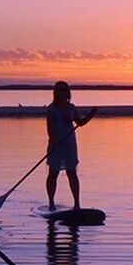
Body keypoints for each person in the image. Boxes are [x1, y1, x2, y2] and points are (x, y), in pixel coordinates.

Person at [46, 81, 97, 210]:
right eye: (59, 90)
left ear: (67, 92)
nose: (61, 93)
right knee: (53, 173)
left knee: (72, 173)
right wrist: (57, 140)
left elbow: (80, 123)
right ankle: (51, 203)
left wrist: (91, 114)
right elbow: (50, 131)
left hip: (70, 145)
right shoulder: (51, 109)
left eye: (63, 90)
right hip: (56, 146)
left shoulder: (71, 107)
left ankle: (77, 204)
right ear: (55, 92)